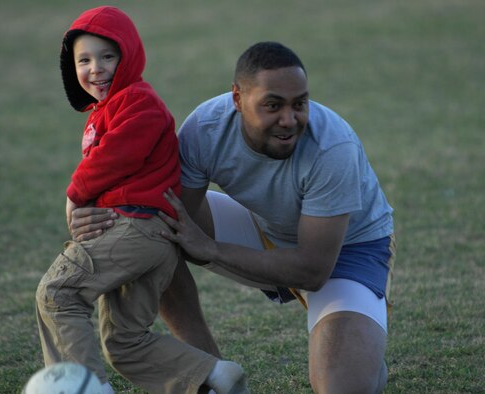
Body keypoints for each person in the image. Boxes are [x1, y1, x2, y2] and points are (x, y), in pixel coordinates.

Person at [70, 41, 396, 394]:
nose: (289, 119)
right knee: (155, 229)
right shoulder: (206, 127)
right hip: (263, 225)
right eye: (272, 105)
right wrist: (92, 212)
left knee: (341, 388)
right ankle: (210, 378)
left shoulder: (333, 148)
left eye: (299, 103)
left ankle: (364, 360)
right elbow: (163, 214)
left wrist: (212, 249)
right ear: (237, 100)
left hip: (346, 250)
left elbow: (313, 271)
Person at [35, 6, 250, 394]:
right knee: (125, 342)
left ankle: (85, 388)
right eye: (84, 60)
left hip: (137, 229)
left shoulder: (139, 101)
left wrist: (75, 196)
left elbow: (115, 156)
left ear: (129, 56)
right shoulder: (107, 108)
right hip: (144, 236)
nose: (96, 68)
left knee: (59, 293)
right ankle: (211, 376)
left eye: (108, 56)